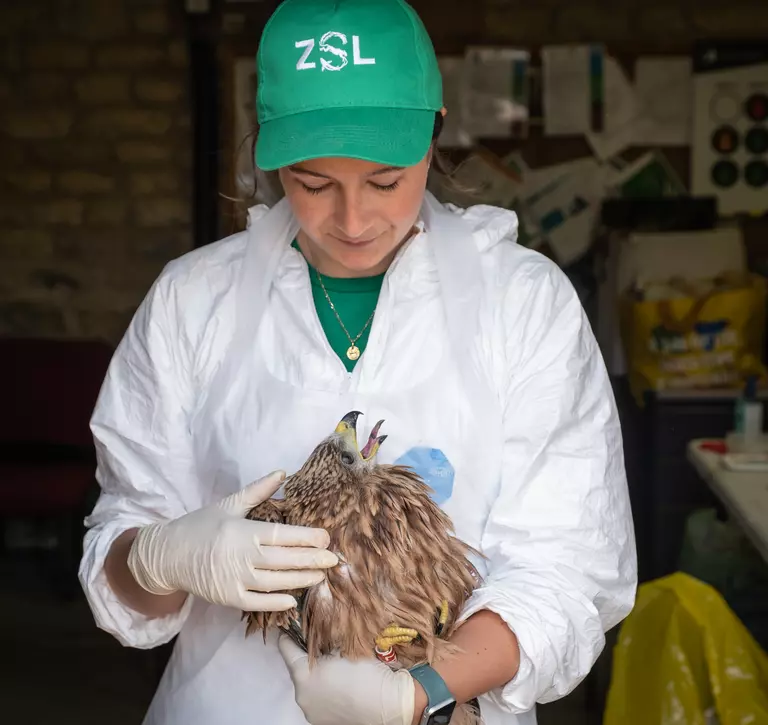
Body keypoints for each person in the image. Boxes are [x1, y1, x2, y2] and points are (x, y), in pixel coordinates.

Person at [79, 1, 637, 724]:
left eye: (385, 181)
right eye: (312, 183)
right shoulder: (193, 301)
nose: (352, 220)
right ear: (268, 156)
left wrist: (421, 689)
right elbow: (124, 577)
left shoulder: (522, 303)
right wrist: (157, 556)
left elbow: (568, 565)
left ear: (434, 137)